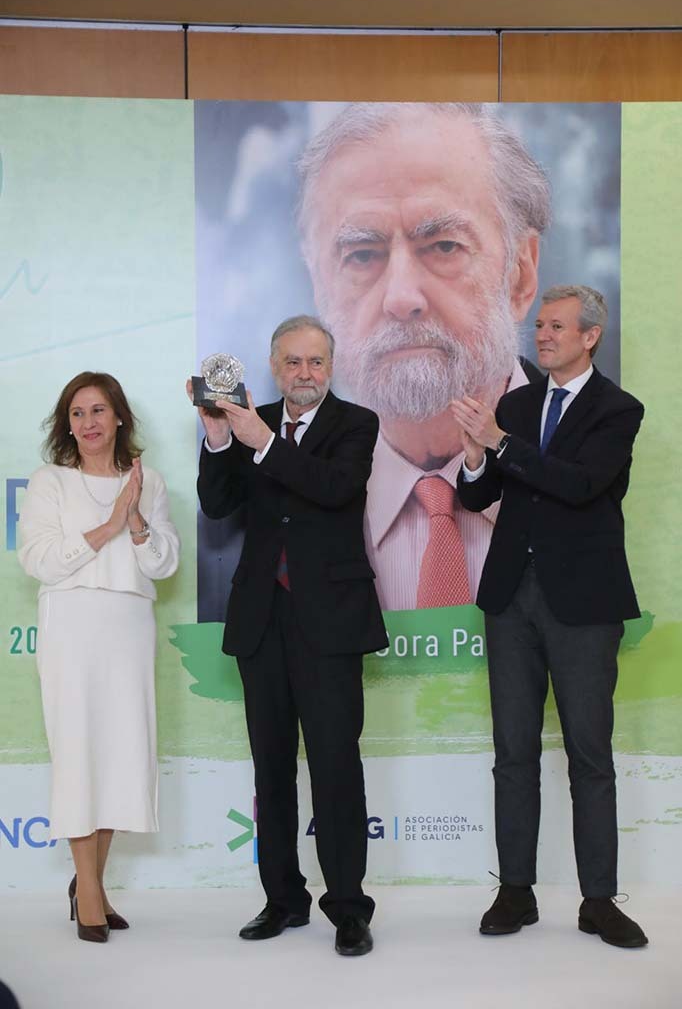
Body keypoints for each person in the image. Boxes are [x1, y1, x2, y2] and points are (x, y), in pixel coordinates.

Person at [452, 285, 647, 948]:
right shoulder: (516, 403)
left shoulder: (618, 409)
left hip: (584, 605)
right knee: (513, 753)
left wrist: (499, 442)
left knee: (589, 756)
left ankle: (598, 900)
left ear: (591, 336)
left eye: (557, 326)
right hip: (510, 598)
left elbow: (579, 486)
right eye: (540, 325)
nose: (543, 335)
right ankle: (515, 891)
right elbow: (482, 492)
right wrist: (476, 456)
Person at [297, 101, 550, 610]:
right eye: (362, 255)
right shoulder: (292, 488)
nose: (400, 297)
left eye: (443, 246)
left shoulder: (583, 447)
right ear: (318, 286)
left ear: (520, 274)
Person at [193, 315, 387, 956]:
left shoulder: (356, 425)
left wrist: (264, 442)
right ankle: (282, 900)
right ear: (275, 366)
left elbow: (335, 489)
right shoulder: (251, 416)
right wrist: (221, 439)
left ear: (331, 368)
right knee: (271, 768)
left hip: (329, 624)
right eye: (294, 363)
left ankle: (349, 909)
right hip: (262, 620)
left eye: (317, 363)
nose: (306, 374)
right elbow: (219, 505)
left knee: (335, 767)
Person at [18, 372, 179, 943]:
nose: (89, 422)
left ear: (118, 419)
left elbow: (162, 564)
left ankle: (92, 881)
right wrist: (107, 525)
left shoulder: (148, 481)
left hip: (129, 625)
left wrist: (132, 519)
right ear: (69, 424)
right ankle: (87, 888)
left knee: (119, 755)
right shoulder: (49, 482)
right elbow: (37, 560)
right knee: (79, 751)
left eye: (99, 411)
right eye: (79, 413)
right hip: (70, 625)